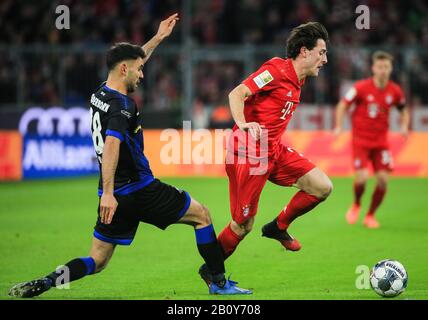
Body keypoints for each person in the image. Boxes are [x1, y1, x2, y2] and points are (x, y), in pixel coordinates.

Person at [9, 14, 251, 298]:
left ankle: (48, 282)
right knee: (203, 216)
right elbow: (112, 143)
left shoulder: (99, 93)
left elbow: (135, 60)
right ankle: (219, 283)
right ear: (124, 70)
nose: (142, 74)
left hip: (115, 194)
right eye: (138, 70)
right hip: (139, 188)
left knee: (97, 261)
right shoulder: (123, 106)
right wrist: (109, 193)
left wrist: (158, 38)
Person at [199, 22, 333, 280]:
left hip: (274, 150)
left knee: (322, 186)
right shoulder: (275, 70)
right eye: (322, 52)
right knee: (242, 224)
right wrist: (242, 124)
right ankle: (212, 272)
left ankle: (278, 227)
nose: (325, 59)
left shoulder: (299, 80)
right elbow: (237, 93)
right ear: (304, 51)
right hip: (249, 154)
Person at [334, 51, 409, 228]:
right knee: (361, 178)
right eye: (380, 67)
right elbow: (343, 105)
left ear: (390, 69)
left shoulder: (395, 90)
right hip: (361, 141)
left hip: (381, 143)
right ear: (373, 68)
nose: (383, 70)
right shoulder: (360, 87)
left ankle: (370, 215)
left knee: (383, 179)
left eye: (386, 67)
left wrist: (405, 126)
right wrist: (338, 126)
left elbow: (403, 110)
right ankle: (357, 203)